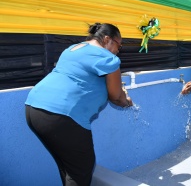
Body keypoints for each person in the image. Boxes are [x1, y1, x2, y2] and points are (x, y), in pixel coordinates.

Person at [25, 23, 133, 186]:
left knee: (68, 166)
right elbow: (116, 97)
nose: (119, 49)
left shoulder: (73, 49)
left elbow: (81, 78)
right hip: (61, 116)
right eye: (119, 44)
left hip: (33, 108)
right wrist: (127, 101)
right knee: (81, 171)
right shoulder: (108, 58)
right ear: (107, 39)